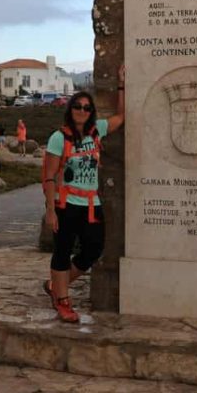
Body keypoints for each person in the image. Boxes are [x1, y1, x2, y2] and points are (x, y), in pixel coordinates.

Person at [41, 66, 125, 322]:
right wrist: (51, 211)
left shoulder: (96, 130)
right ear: (71, 109)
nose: (82, 111)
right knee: (62, 251)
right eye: (78, 106)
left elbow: (122, 116)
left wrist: (121, 84)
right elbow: (49, 176)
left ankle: (56, 285)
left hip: (91, 204)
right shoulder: (59, 138)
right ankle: (63, 301)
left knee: (93, 249)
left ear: (91, 112)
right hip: (66, 204)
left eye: (87, 107)